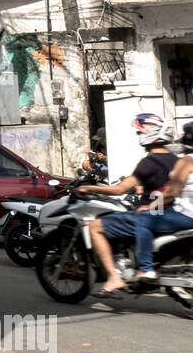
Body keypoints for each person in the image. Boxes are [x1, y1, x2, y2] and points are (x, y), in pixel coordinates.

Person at [74, 114, 177, 297]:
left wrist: (88, 187)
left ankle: (114, 277)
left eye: (140, 132)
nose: (139, 136)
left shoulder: (149, 162)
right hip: (169, 214)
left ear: (150, 134)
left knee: (95, 226)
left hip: (148, 215)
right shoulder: (176, 159)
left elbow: (119, 190)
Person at [133, 120, 193, 279]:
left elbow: (171, 193)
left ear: (189, 143)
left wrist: (149, 208)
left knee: (144, 220)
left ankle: (146, 269)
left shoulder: (187, 161)